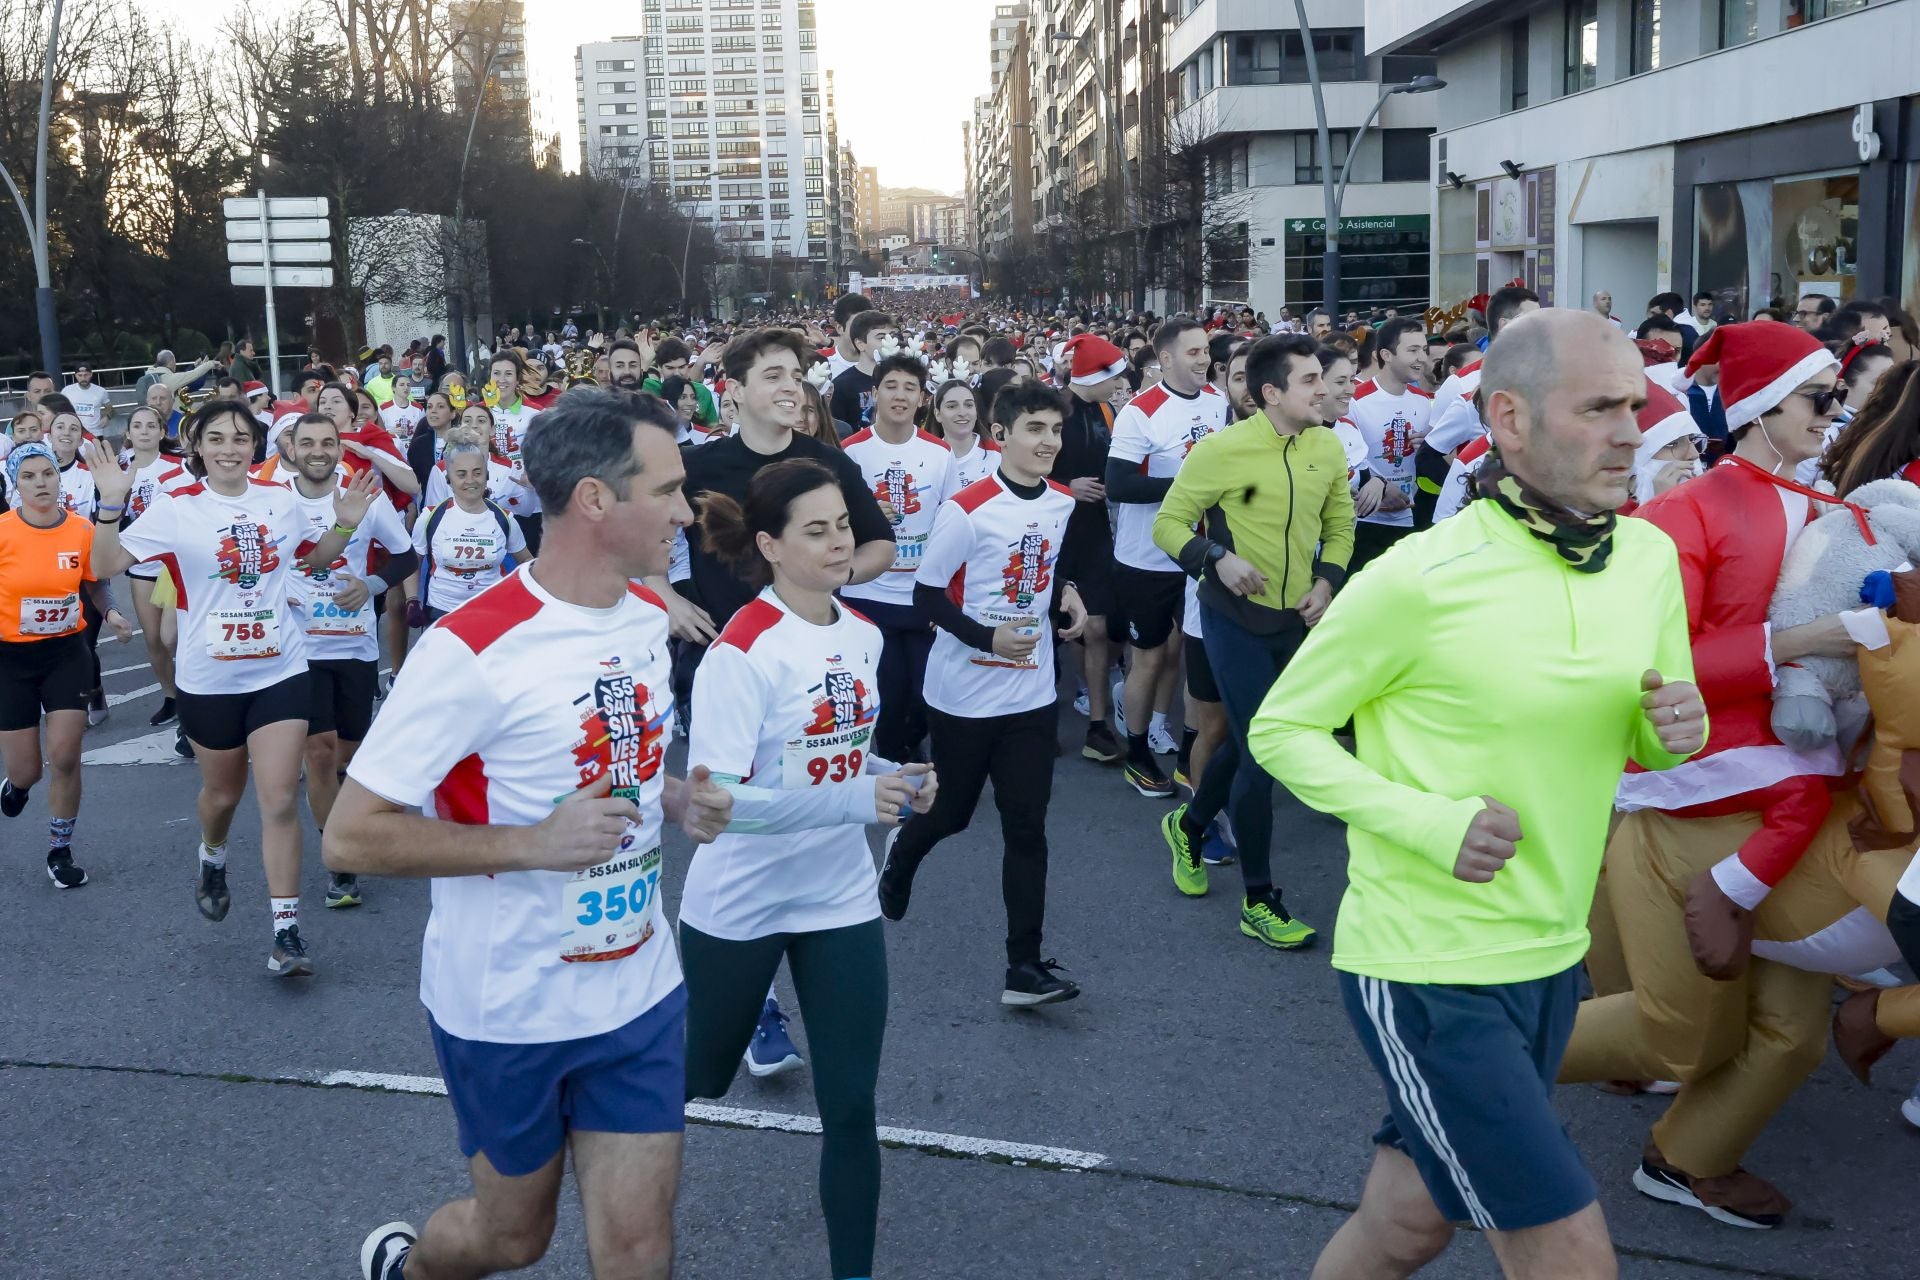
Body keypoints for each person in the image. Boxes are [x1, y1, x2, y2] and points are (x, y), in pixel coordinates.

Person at [1250, 309, 1703, 1280]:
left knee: (1404, 1223)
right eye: (1598, 408)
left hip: (1550, 954)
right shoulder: (1422, 576)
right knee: (1570, 1255)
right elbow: (1279, 728)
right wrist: (1429, 820)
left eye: (1637, 404)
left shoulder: (1649, 559)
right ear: (1508, 417)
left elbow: (1646, 726)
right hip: (1427, 963)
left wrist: (1677, 728)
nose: (1632, 429)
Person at [323, 389, 734, 1280]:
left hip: (638, 985)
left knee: (639, 1249)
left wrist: (668, 797)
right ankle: (412, 1269)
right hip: (508, 1003)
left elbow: (600, 763)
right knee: (514, 1237)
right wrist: (532, 844)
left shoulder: (641, 615)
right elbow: (351, 837)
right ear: (595, 500)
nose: (684, 511)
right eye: (666, 489)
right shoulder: (471, 649)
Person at [1560, 321, 1856, 1226]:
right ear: (1765, 406)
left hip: (1804, 796)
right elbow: (1656, 661)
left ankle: (1688, 1159)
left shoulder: (1837, 508)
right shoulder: (1688, 511)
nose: (1833, 416)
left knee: (1794, 1033)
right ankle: (1469, 1052)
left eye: (1838, 401)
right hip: (1698, 797)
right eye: (1819, 399)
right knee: (1679, 1032)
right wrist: (1798, 643)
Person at [684, 459, 938, 1280]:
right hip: (741, 901)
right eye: (817, 530)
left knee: (853, 1105)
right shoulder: (742, 650)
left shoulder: (861, 634)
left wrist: (897, 773)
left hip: (839, 897)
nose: (841, 541)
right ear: (770, 545)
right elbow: (721, 803)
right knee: (697, 1078)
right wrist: (861, 802)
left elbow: (842, 756)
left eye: (844, 524)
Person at [85, 403, 377, 975]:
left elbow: (315, 560)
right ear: (196, 445)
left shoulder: (279, 501)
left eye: (241, 438)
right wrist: (111, 503)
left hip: (281, 671)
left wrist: (343, 522)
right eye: (216, 437)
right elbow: (106, 562)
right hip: (210, 678)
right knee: (221, 797)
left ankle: (286, 934)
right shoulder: (177, 508)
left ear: (259, 446)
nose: (229, 447)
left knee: (276, 801)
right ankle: (212, 855)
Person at [877, 380, 1089, 1005]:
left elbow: (1045, 568)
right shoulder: (967, 508)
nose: (1049, 442)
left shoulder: (1059, 503)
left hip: (1032, 695)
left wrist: (1066, 594)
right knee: (952, 814)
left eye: (1055, 431)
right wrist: (988, 639)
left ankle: (1023, 968)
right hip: (964, 693)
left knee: (1028, 828)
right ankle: (903, 853)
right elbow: (925, 596)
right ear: (1001, 436)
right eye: (1035, 429)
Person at [1152, 334, 1353, 948]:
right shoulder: (1223, 450)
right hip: (1233, 619)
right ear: (1272, 393)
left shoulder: (1326, 445)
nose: (1325, 389)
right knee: (1264, 752)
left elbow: (1340, 526)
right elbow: (1168, 523)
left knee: (1249, 746)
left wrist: (1328, 582)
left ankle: (1188, 825)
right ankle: (1260, 901)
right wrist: (1216, 557)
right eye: (1312, 380)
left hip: (1296, 622)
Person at [278, 412, 416, 911]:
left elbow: (406, 559)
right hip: (298, 650)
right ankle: (338, 859)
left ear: (340, 448)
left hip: (354, 645)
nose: (318, 450)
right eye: (307, 441)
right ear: (291, 448)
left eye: (328, 442)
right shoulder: (274, 502)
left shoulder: (364, 497)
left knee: (347, 759)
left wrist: (372, 585)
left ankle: (343, 819)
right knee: (318, 750)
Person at [1103, 318, 1228, 798]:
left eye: (1207, 351)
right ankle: (1136, 753)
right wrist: (1187, 488)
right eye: (1194, 352)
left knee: (1196, 660)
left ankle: (1187, 759)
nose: (1204, 360)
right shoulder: (1142, 411)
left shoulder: (1218, 404)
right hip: (1146, 557)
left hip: (1196, 555)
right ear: (1168, 359)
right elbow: (1118, 484)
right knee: (1150, 659)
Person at [0, 442, 132, 888]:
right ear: (15, 485)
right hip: (9, 659)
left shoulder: (81, 530)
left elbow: (95, 583)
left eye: (47, 474)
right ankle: (16, 787)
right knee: (27, 770)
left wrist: (112, 614)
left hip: (65, 653)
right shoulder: (2, 532)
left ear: (59, 477)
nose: (41, 483)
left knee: (66, 757)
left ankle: (60, 850)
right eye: (29, 477)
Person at [839, 353, 957, 764]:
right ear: (874, 393)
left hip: (922, 596)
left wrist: (944, 595)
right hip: (867, 594)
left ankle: (913, 743)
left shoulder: (941, 453)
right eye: (891, 386)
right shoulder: (850, 452)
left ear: (923, 399)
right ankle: (891, 766)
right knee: (886, 693)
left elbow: (951, 523)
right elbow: (833, 525)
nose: (900, 396)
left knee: (927, 691)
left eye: (910, 388)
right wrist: (865, 518)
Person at [1052, 334, 1128, 763]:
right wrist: (1067, 488)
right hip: (1052, 530)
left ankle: (1099, 726)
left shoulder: (1108, 410)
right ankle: (1038, 719)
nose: (1119, 385)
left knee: (1098, 628)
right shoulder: (1053, 409)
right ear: (1092, 375)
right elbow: (1022, 467)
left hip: (1096, 530)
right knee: (1045, 631)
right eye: (1112, 376)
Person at [406, 426, 532, 625]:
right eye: (461, 474)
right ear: (449, 478)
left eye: (477, 473)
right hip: (441, 612)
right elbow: (414, 562)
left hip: (491, 612)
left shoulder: (504, 518)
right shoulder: (431, 516)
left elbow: (527, 561)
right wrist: (412, 601)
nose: (470, 481)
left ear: (486, 475)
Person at [117, 405, 190, 727]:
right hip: (140, 563)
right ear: (129, 433)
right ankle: (171, 696)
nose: (144, 430)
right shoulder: (121, 469)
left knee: (176, 635)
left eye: (151, 425)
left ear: (162, 432)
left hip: (174, 564)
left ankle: (193, 694)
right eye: (137, 425)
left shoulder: (180, 466)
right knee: (153, 640)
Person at [1344, 316, 1431, 572]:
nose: (1421, 358)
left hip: (1409, 518)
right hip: (1365, 522)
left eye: (1423, 350)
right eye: (1412, 350)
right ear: (1386, 354)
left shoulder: (1422, 400)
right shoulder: (1355, 400)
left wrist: (1425, 447)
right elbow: (1344, 456)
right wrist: (1379, 488)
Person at [829, 311, 897, 432]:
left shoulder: (902, 380)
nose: (888, 341)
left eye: (891, 336)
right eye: (881, 337)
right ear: (860, 344)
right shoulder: (841, 385)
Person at [927, 378, 998, 487]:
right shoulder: (927, 457)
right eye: (952, 406)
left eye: (969, 405)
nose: (962, 412)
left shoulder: (997, 454)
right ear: (937, 414)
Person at [60, 364, 112, 437]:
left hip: (96, 433)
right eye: (80, 375)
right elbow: (59, 409)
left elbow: (110, 408)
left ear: (91, 374)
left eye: (86, 375)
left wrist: (107, 417)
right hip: (74, 433)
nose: (83, 378)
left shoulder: (101, 391)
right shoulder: (67, 391)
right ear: (75, 376)